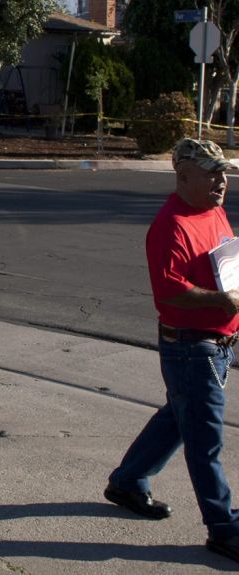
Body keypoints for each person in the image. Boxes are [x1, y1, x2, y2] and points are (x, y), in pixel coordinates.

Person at [105, 138, 239, 562]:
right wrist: (222, 302)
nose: (222, 181)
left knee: (181, 417)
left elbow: (221, 264)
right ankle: (223, 528)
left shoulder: (212, 211)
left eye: (224, 172)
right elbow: (169, 294)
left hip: (216, 343)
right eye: (211, 172)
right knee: (205, 440)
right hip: (190, 346)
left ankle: (128, 481)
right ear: (183, 176)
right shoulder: (171, 225)